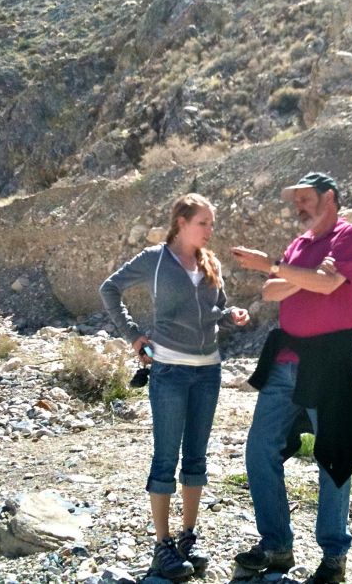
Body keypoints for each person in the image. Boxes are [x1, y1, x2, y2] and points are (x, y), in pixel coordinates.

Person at [231, 172, 352, 584]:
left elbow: (328, 283)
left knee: (334, 455)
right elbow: (271, 292)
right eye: (294, 199)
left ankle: (334, 556)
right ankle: (277, 545)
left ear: (329, 197)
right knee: (260, 448)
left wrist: (283, 270)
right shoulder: (301, 244)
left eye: (304, 198)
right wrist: (307, 278)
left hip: (331, 360)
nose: (298, 206)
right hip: (285, 359)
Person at [100, 193, 249, 581]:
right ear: (181, 222)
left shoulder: (210, 262)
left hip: (208, 371)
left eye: (211, 223)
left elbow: (216, 311)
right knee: (166, 458)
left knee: (197, 458)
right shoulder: (154, 260)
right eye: (204, 222)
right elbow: (109, 289)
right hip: (169, 370)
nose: (210, 230)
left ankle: (188, 538)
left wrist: (231, 315)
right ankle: (162, 546)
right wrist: (133, 335)